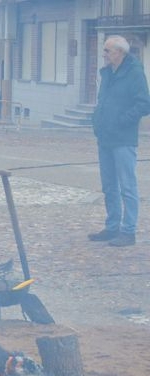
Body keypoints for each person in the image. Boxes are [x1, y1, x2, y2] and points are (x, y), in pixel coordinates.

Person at [89, 35, 150, 247]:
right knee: (109, 185)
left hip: (123, 138)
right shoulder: (107, 73)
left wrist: (122, 121)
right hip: (105, 137)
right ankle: (112, 226)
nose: (104, 54)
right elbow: (103, 100)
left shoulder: (134, 72)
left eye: (107, 51)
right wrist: (96, 120)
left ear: (120, 52)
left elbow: (144, 103)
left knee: (127, 186)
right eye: (104, 50)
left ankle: (128, 230)